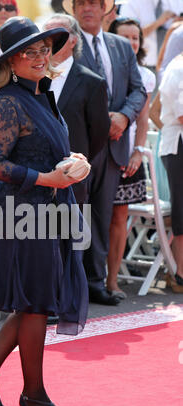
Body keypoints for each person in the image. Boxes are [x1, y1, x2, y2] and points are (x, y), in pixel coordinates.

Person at [0, 16, 90, 406]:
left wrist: (75, 162)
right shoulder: (9, 100)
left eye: (43, 49)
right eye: (27, 52)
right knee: (34, 304)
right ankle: (32, 394)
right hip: (21, 212)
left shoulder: (41, 95)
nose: (38, 56)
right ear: (10, 62)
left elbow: (50, 151)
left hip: (47, 211)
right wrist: (45, 177)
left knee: (35, 303)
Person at [62, 0, 147, 305]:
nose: (87, 8)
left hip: (115, 144)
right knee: (74, 214)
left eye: (94, 3)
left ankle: (95, 281)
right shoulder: (65, 42)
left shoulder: (121, 46)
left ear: (105, 9)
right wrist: (102, 121)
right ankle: (71, 282)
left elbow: (139, 90)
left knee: (101, 214)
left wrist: (123, 116)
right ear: (72, 8)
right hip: (80, 145)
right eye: (81, 3)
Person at [106, 17, 156, 299]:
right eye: (125, 37)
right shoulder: (101, 67)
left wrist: (138, 151)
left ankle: (112, 281)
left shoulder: (146, 76)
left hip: (128, 153)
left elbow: (144, 118)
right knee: (91, 216)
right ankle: (88, 278)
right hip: (102, 150)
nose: (131, 43)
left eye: (135, 38)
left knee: (119, 217)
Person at [43, 13, 110, 206]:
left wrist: (78, 160)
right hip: (36, 178)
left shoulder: (92, 83)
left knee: (69, 233)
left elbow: (98, 132)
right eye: (47, 35)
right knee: (35, 234)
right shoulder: (32, 80)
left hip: (72, 177)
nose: (51, 41)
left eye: (58, 35)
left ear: (73, 40)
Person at [158, 53, 183, 292]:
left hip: (175, 143)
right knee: (182, 208)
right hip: (178, 144)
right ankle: (179, 273)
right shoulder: (179, 67)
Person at [119, 0, 181, 72]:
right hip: (143, 65)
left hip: (170, 66)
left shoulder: (177, 2)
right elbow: (127, 35)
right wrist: (158, 22)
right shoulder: (131, 3)